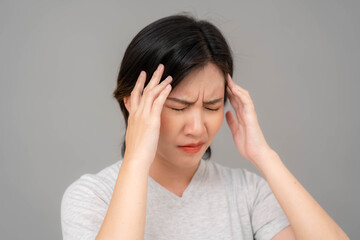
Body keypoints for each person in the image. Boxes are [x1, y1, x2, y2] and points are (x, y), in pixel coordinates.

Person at [61, 14, 349, 240]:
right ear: (133, 103)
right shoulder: (91, 196)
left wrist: (265, 156)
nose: (198, 128)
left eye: (212, 106)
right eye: (178, 107)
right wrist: (136, 160)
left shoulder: (248, 193)